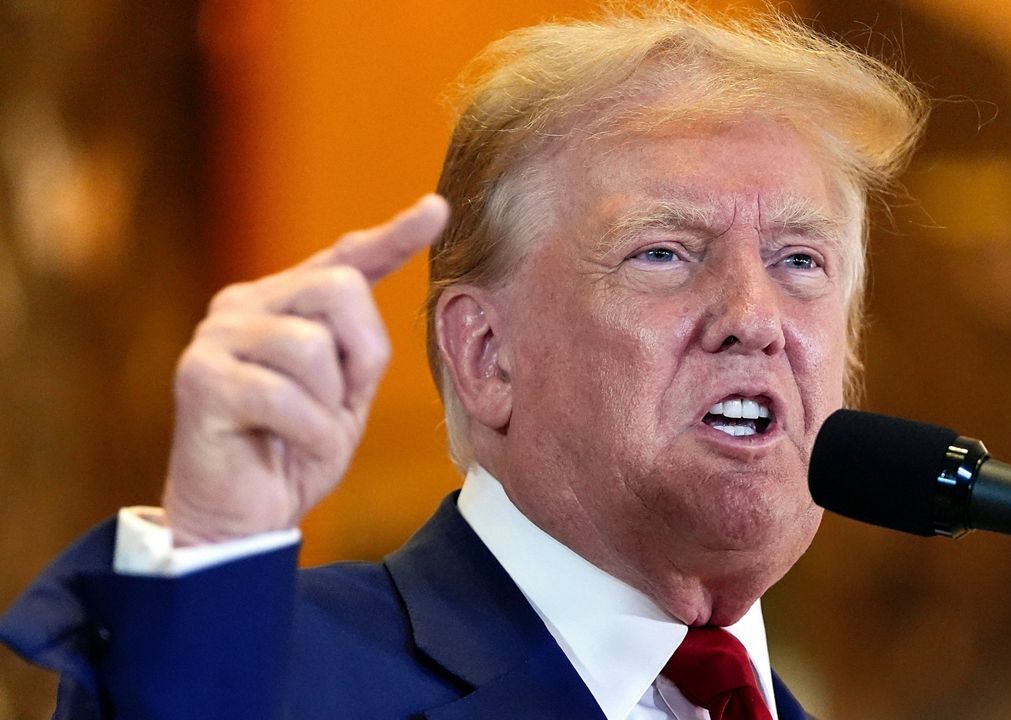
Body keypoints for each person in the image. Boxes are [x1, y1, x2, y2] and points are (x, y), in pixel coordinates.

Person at [1, 4, 924, 718]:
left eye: (801, 262)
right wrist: (213, 562)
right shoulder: (290, 676)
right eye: (665, 253)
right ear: (486, 355)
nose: (754, 316)